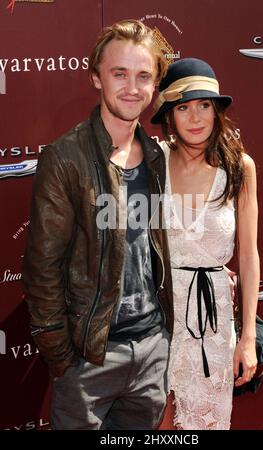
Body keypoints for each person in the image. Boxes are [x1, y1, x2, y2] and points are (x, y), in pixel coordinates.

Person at [22, 19, 174, 430]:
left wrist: (163, 338)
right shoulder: (65, 156)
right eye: (119, 73)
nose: (132, 87)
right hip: (89, 359)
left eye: (144, 76)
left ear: (155, 85)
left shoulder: (158, 155)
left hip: (152, 351)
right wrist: (62, 358)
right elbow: (42, 266)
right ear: (95, 77)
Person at [151, 58, 259, 430]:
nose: (195, 118)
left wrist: (246, 339)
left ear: (217, 111)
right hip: (158, 314)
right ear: (169, 116)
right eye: (183, 107)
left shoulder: (240, 167)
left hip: (212, 324)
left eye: (204, 105)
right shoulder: (153, 163)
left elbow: (248, 255)